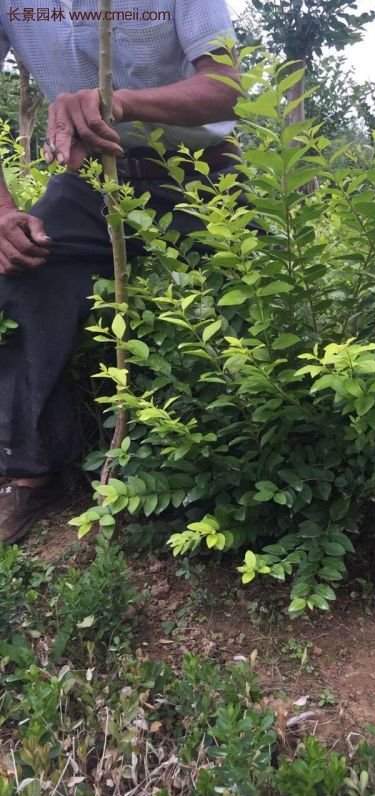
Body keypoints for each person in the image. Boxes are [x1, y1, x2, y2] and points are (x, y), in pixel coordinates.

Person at [0, 0, 240, 543]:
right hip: (88, 183)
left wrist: (118, 104)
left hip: (200, 173)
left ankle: (225, 471)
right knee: (20, 270)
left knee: (233, 304)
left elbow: (225, 85)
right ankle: (29, 473)